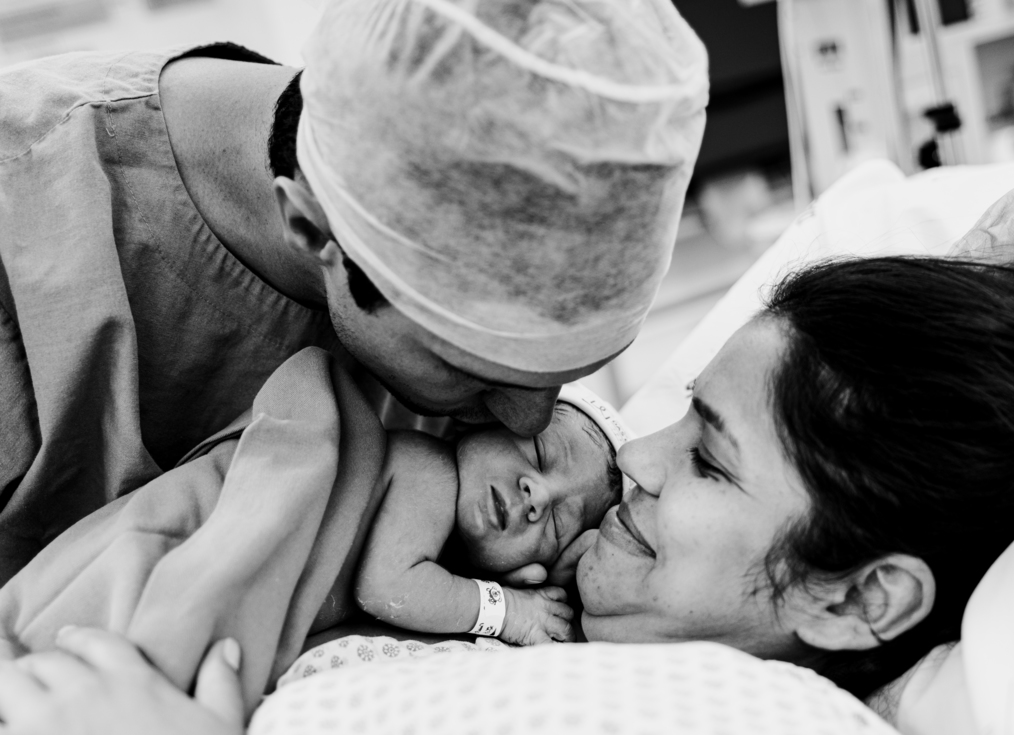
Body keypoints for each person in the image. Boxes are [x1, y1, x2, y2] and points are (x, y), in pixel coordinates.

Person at [0, 185, 1014, 735]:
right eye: (681, 414)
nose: (640, 458)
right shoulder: (571, 583)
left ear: (858, 597)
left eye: (710, 459)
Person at [0, 0, 708, 585]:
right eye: (477, 373)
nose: (530, 424)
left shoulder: (413, 206)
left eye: (564, 377)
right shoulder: (25, 212)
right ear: (312, 231)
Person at [1, 385, 627, 665]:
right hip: (204, 529)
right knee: (99, 611)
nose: (537, 496)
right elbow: (389, 586)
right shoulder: (428, 471)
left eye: (558, 521)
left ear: (535, 566)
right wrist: (505, 611)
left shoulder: (444, 546)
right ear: (477, 423)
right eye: (539, 455)